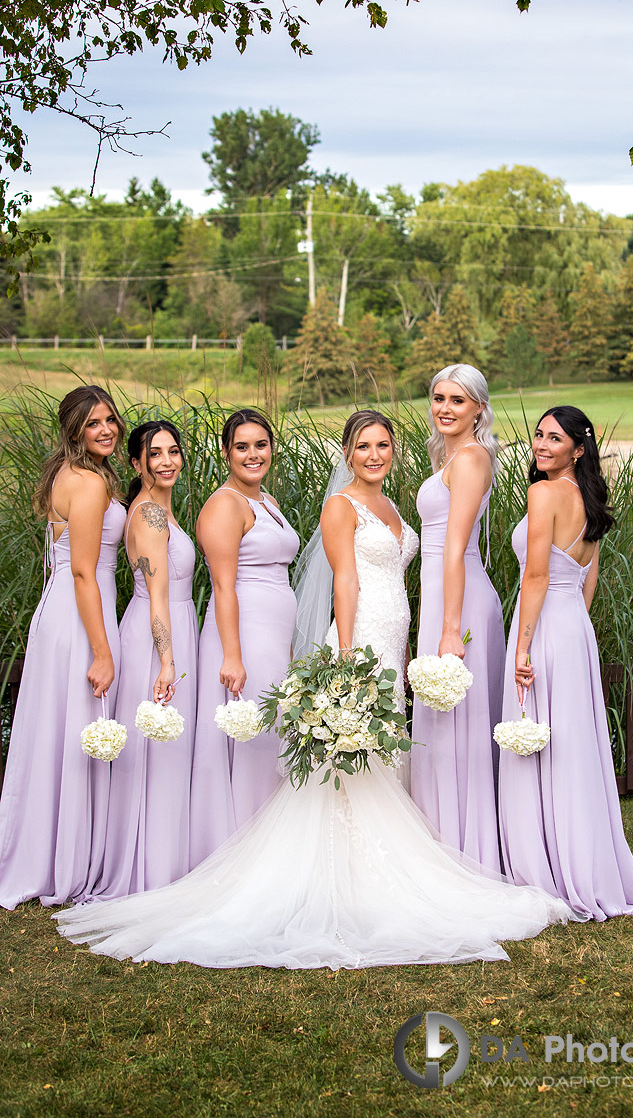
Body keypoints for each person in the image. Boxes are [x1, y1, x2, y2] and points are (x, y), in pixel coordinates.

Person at [55, 411, 581, 969]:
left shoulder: (382, 506)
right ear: (347, 454)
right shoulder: (337, 505)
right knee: (351, 759)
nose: (374, 455)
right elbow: (344, 580)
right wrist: (349, 650)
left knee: (374, 757)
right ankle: (339, 875)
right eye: (362, 446)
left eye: (383, 445)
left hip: (392, 629)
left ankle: (365, 870)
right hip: (358, 638)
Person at [499, 405, 633, 920]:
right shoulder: (589, 497)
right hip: (573, 629)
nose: (542, 445)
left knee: (542, 742)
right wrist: (574, 625)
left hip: (544, 626)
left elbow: (537, 577)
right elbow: (587, 572)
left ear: (578, 449)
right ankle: (583, 863)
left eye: (554, 439)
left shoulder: (543, 493)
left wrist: (523, 646)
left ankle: (545, 867)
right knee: (571, 745)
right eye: (539, 436)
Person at [0, 386, 127, 909]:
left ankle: (47, 853)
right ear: (74, 430)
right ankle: (70, 863)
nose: (106, 430)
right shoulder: (91, 484)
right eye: (93, 423)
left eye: (110, 420)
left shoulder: (64, 475)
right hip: (81, 617)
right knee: (79, 735)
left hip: (60, 613)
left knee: (59, 734)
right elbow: (82, 570)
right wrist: (101, 650)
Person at [89, 421, 199, 898]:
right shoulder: (151, 516)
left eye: (173, 451)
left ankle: (164, 860)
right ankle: (152, 872)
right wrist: (168, 662)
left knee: (162, 750)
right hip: (159, 637)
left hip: (171, 629)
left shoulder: (158, 510)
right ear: (137, 463)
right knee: (157, 751)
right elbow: (157, 597)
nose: (167, 461)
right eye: (155, 454)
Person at [189, 409, 299, 867]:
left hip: (273, 633)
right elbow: (223, 587)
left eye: (261, 445)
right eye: (242, 447)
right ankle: (237, 856)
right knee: (250, 738)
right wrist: (232, 656)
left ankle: (271, 852)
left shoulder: (265, 500)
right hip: (244, 634)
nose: (254, 454)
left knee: (273, 734)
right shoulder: (223, 505)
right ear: (225, 452)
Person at [410, 364, 504, 872]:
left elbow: (455, 546)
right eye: (439, 398)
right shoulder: (452, 457)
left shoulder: (470, 458)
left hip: (460, 603)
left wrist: (449, 629)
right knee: (441, 724)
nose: (444, 408)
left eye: (457, 401)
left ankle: (463, 853)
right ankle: (439, 842)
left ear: (479, 410)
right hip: (444, 598)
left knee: (455, 726)